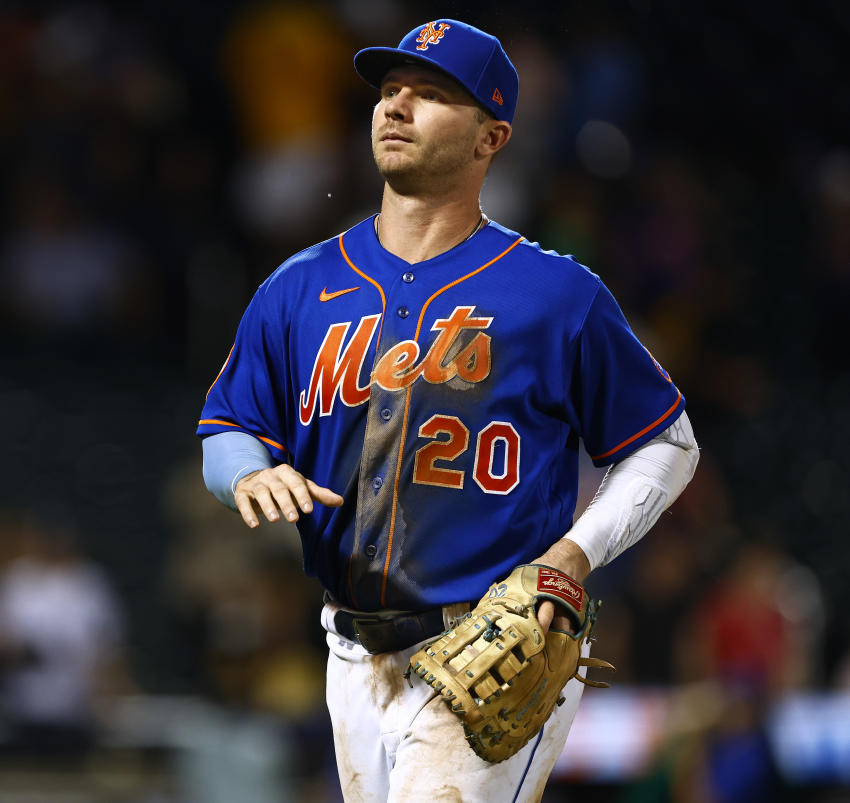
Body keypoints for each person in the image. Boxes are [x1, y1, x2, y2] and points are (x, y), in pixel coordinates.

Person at [197, 18, 700, 802]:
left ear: (490, 136)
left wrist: (573, 555)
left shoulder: (553, 294)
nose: (396, 107)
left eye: (430, 95)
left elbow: (667, 441)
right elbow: (229, 426)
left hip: (488, 641)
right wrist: (246, 476)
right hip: (349, 651)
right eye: (390, 91)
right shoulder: (298, 286)